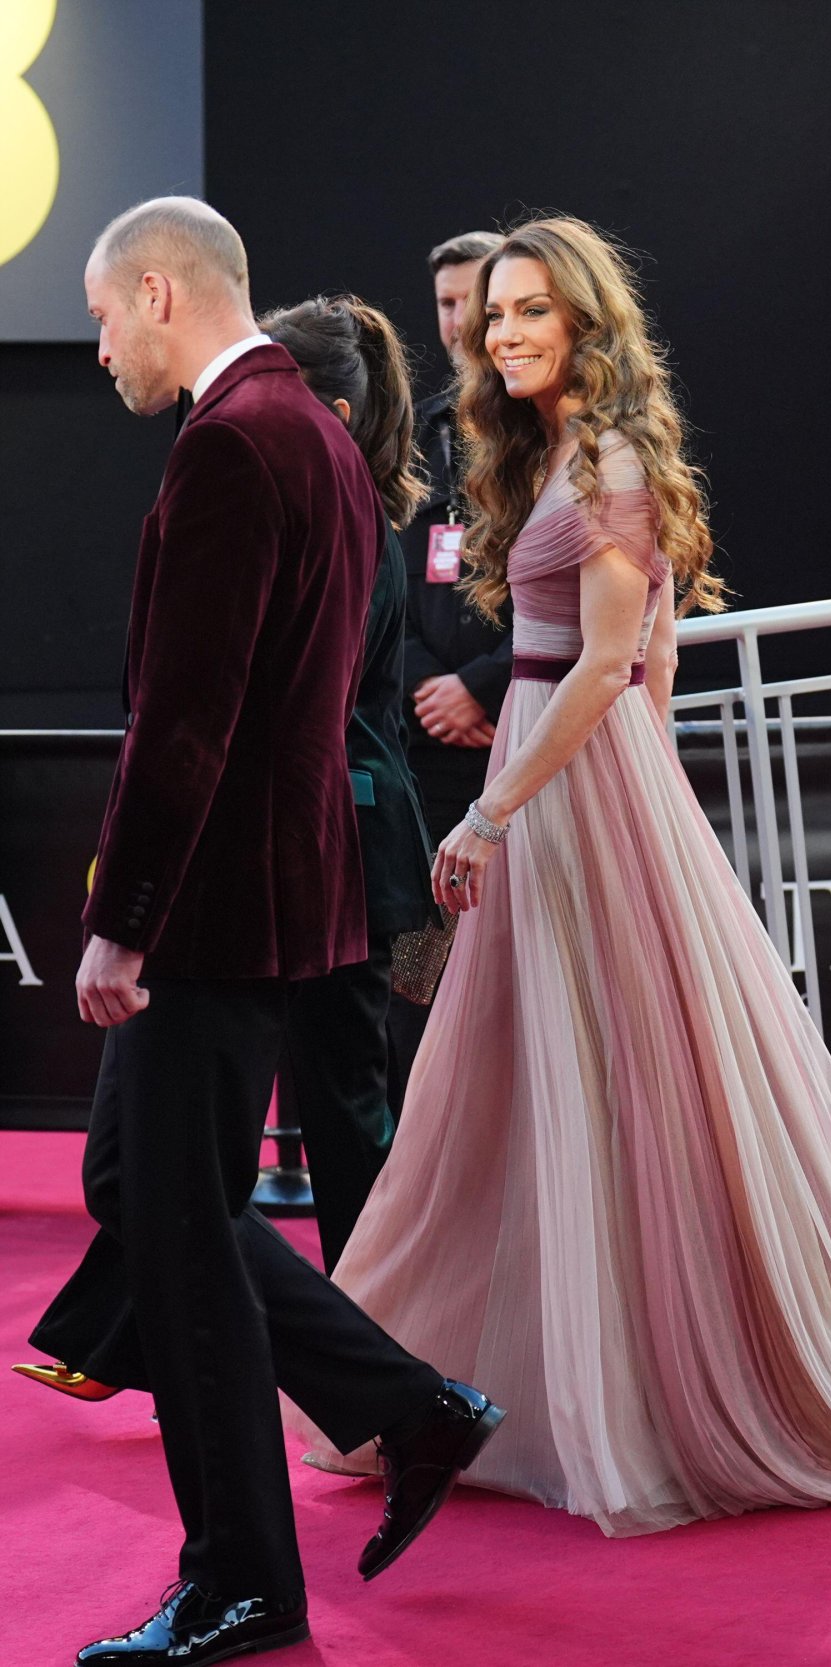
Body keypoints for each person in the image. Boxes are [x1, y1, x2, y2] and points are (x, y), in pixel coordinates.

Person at [294, 215, 831, 1537]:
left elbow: (601, 664)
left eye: (536, 310)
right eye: (500, 311)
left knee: (609, 1086)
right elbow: (652, 657)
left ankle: (628, 1393)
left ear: (590, 324)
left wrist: (495, 815)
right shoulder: (549, 452)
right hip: (577, 780)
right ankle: (489, 1387)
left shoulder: (606, 457)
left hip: (561, 784)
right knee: (537, 1088)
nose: (508, 331)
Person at [21, 198, 503, 1667]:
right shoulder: (317, 435)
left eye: (103, 316)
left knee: (171, 1222)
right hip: (276, 896)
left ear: (159, 292)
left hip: (217, 913)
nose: (97, 345)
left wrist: (123, 923)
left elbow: (189, 720)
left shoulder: (234, 443)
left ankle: (243, 1575)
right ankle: (410, 1402)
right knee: (137, 1180)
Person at [258, 293, 433, 1272]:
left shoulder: (351, 520)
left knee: (343, 1104)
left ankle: (383, 1344)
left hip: (348, 847)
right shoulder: (341, 509)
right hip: (333, 840)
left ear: (326, 405)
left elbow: (316, 701)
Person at [388, 231, 511, 1089]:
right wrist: (435, 690)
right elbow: (374, 584)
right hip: (425, 759)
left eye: (482, 299)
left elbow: (585, 606)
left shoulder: (552, 433)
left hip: (529, 744)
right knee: (416, 977)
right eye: (448, 302)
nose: (463, 319)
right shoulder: (418, 434)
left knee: (527, 972)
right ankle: (416, 1164)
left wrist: (482, 685)